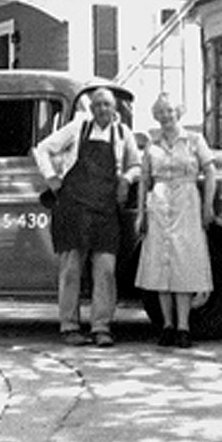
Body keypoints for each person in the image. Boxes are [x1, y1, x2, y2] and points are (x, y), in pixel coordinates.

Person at [33, 87, 141, 347]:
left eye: (107, 105)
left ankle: (101, 326)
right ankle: (69, 325)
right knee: (71, 269)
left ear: (114, 108)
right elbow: (43, 148)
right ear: (91, 108)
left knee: (105, 269)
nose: (103, 109)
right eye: (98, 105)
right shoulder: (78, 128)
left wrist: (127, 178)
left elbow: (136, 164)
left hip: (106, 210)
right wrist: (52, 179)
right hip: (74, 207)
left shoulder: (123, 134)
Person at [135, 92, 216, 349]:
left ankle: (184, 326)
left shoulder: (194, 140)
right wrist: (141, 213)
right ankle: (167, 325)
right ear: (156, 117)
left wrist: (207, 204)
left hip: (186, 202)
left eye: (170, 111)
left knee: (183, 262)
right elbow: (144, 181)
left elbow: (211, 171)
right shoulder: (152, 145)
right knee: (161, 264)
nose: (166, 117)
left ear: (178, 113)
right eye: (161, 113)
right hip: (159, 204)